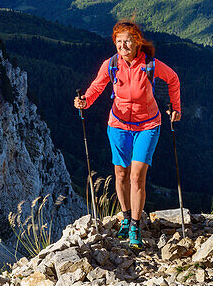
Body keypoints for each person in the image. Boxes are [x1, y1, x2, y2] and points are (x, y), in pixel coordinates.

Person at [73, 21, 181, 249]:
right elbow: (97, 87)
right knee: (121, 173)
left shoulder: (151, 64)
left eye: (128, 41)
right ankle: (125, 216)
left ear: (138, 42)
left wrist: (175, 107)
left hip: (148, 125)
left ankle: (134, 224)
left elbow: (172, 79)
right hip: (119, 124)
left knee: (136, 176)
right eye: (119, 42)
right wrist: (85, 102)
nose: (123, 46)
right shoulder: (111, 64)